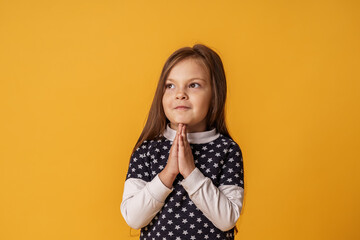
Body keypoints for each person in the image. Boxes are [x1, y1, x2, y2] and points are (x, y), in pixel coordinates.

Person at [120, 43, 245, 240]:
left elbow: (227, 219)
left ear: (215, 94)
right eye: (170, 86)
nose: (180, 94)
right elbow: (133, 218)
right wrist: (168, 173)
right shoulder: (147, 150)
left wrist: (191, 173)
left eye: (193, 85)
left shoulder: (227, 150)